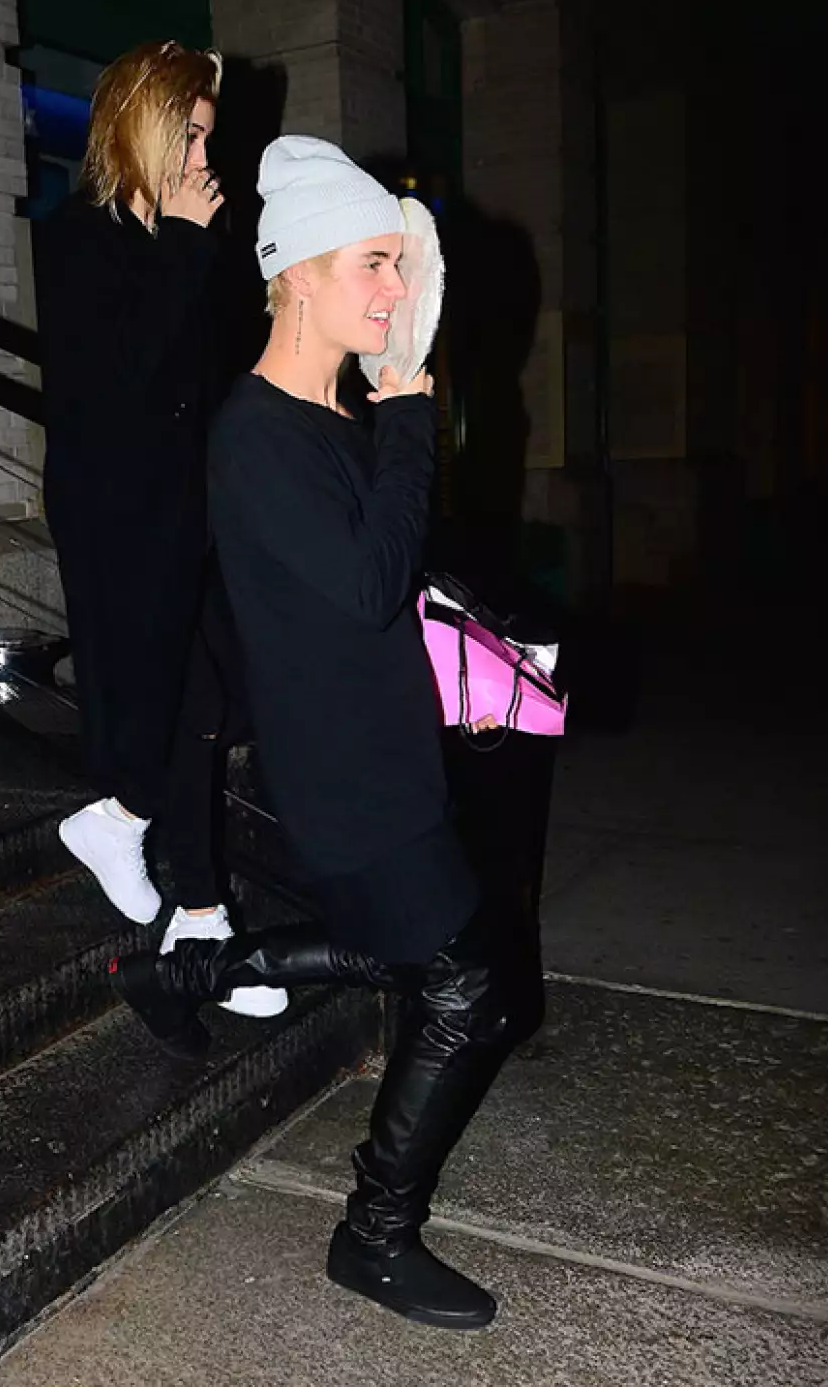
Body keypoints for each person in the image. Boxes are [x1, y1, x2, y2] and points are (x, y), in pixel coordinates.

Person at [109, 136, 544, 1329]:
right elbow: (363, 585)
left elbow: (385, 580)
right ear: (296, 270)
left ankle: (180, 966)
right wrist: (410, 418)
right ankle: (374, 1234)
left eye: (400, 269)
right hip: (347, 773)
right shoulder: (254, 436)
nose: (397, 295)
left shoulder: (328, 421)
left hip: (384, 746)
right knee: (466, 988)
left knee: (394, 953)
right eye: (374, 265)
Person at [35, 41, 284, 1018]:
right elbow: (124, 384)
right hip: (117, 510)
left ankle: (191, 902)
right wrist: (185, 243)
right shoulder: (79, 238)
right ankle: (165, 866)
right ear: (143, 122)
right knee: (185, 695)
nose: (200, 155)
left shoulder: (181, 238)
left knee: (205, 693)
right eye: (189, 132)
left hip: (184, 507)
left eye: (206, 137)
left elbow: (198, 385)